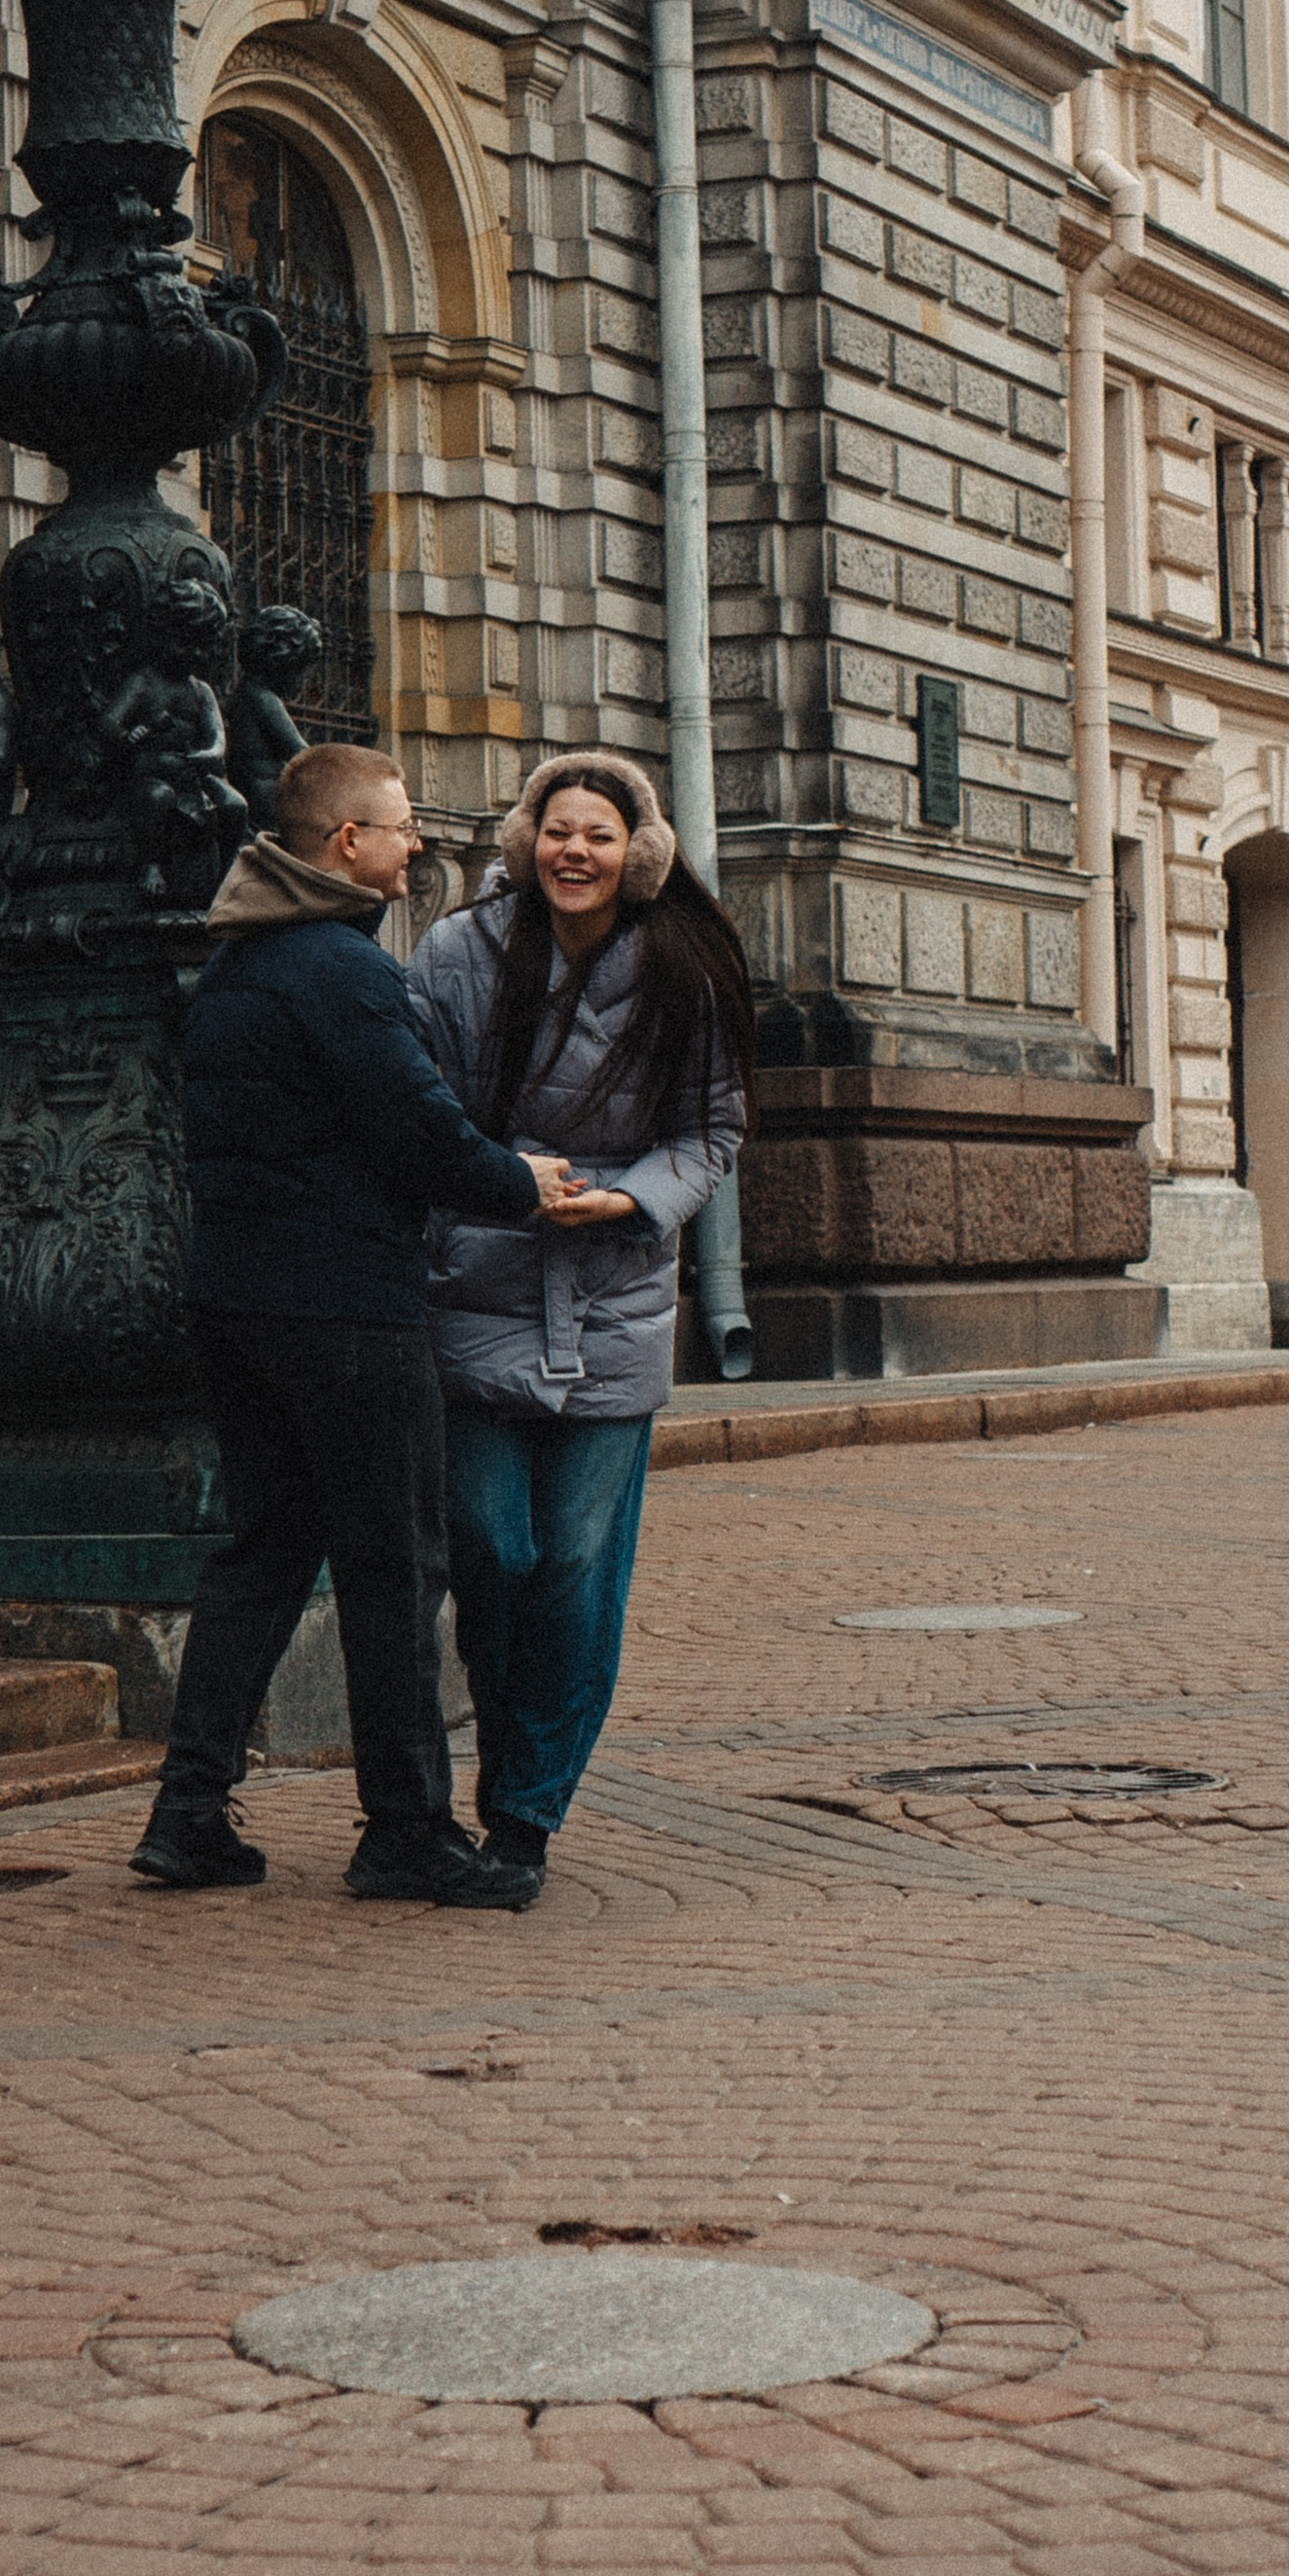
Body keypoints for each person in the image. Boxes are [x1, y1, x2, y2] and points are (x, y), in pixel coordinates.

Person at [131, 742, 577, 1908]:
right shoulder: (341, 970)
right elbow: (419, 1131)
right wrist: (523, 1184)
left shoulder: (236, 966)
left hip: (232, 1297)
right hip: (341, 1306)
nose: (416, 841)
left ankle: (188, 1817)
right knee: (396, 1565)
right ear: (346, 845)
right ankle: (406, 1832)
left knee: (265, 1553)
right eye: (399, 825)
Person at [407, 750, 753, 1907]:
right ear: (526, 838)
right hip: (478, 1281)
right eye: (559, 830)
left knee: (575, 1574)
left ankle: (523, 1816)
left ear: (637, 854)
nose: (575, 852)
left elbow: (710, 1134)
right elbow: (413, 1111)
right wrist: (500, 1182)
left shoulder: (684, 968)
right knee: (493, 1552)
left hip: (613, 1300)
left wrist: (631, 1198)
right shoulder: (456, 953)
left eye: (600, 836)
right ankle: (503, 1765)